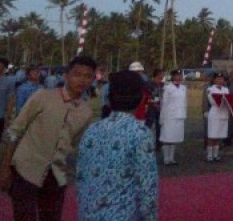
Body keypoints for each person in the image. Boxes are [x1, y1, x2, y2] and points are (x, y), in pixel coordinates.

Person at [0, 56, 96, 221]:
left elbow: (74, 144)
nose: (82, 80)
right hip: (26, 168)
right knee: (24, 216)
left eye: (88, 76)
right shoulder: (43, 96)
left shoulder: (86, 112)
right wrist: (5, 167)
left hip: (56, 174)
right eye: (77, 74)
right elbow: (16, 130)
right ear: (66, 76)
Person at [77, 70, 158, 221]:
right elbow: (147, 185)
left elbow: (81, 176)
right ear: (141, 99)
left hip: (88, 213)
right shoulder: (140, 133)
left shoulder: (92, 130)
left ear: (109, 99)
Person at [159, 69, 187, 165]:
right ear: (172, 77)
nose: (179, 77)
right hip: (169, 115)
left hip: (180, 114)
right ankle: (166, 158)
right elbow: (164, 103)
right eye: (176, 75)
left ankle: (172, 158)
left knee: (175, 137)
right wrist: (162, 116)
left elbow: (184, 102)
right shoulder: (168, 88)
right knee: (167, 137)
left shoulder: (183, 88)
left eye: (180, 75)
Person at [206, 72, 230, 162]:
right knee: (212, 135)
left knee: (219, 135)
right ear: (214, 80)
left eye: (222, 79)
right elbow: (212, 101)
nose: (220, 80)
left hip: (223, 114)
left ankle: (215, 155)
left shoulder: (226, 89)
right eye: (218, 79)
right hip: (215, 113)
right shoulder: (210, 89)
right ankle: (209, 155)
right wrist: (223, 100)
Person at [145, 69, 164, 148]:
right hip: (151, 107)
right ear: (157, 75)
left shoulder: (162, 85)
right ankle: (146, 141)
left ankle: (158, 143)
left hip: (160, 107)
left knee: (159, 125)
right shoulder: (149, 84)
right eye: (161, 74)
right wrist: (155, 104)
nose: (163, 75)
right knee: (149, 124)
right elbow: (147, 96)